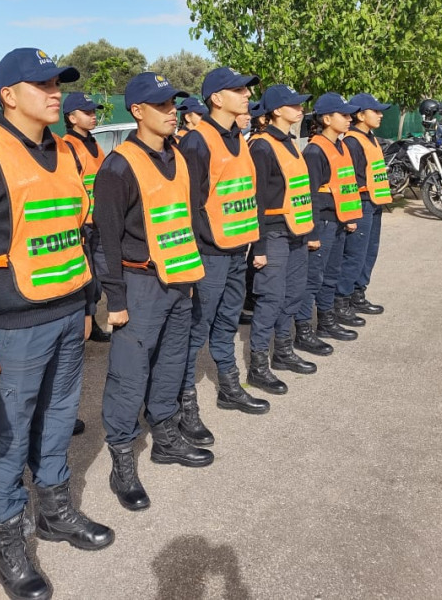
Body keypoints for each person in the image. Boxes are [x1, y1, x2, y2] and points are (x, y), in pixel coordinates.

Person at [0, 48, 114, 600]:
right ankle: (7, 540)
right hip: (12, 327)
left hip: (66, 313)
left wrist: (88, 307)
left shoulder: (65, 151)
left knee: (60, 421)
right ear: (8, 95)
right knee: (8, 437)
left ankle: (56, 512)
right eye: (41, 84)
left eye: (57, 82)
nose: (55, 91)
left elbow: (77, 234)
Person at [95, 73, 213, 512]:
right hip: (140, 283)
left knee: (171, 363)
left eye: (173, 104)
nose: (171, 112)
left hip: (180, 281)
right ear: (137, 111)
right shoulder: (118, 166)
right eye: (161, 105)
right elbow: (105, 239)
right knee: (128, 376)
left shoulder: (180, 157)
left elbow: (188, 216)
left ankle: (165, 436)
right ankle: (122, 460)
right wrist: (117, 300)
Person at [177, 67, 269, 449]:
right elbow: (188, 204)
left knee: (228, 321)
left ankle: (229, 386)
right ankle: (182, 402)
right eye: (238, 90)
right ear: (216, 98)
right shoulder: (197, 142)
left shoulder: (240, 138)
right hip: (209, 253)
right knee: (195, 329)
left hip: (236, 249)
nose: (247, 94)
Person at [245, 85, 319, 395]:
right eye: (293, 104)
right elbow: (257, 199)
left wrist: (309, 232)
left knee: (293, 293)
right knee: (271, 299)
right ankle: (258, 366)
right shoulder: (261, 146)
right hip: (273, 232)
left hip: (296, 231)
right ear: (276, 110)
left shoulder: (289, 142)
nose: (300, 108)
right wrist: (259, 248)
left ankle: (283, 351)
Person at [294, 93, 364, 354]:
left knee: (330, 275)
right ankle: (303, 330)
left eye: (349, 115)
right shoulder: (314, 151)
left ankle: (326, 321)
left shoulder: (342, 145)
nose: (349, 119)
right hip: (321, 223)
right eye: (343, 115)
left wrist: (349, 218)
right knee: (313, 278)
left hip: (337, 221)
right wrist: (311, 231)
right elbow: (309, 194)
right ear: (326, 119)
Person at [335, 93, 392, 317]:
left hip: (374, 202)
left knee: (369, 252)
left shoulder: (371, 137)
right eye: (375, 111)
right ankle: (341, 301)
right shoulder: (351, 141)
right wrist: (351, 213)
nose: (380, 115)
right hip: (361, 204)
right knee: (354, 254)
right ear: (360, 115)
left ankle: (358, 293)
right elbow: (349, 179)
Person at [63, 91, 111, 344]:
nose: (93, 116)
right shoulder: (68, 146)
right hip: (83, 225)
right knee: (87, 279)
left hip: (98, 222)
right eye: (87, 112)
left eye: (94, 112)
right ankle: (84, 327)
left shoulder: (93, 143)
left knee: (98, 279)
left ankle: (90, 324)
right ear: (72, 117)